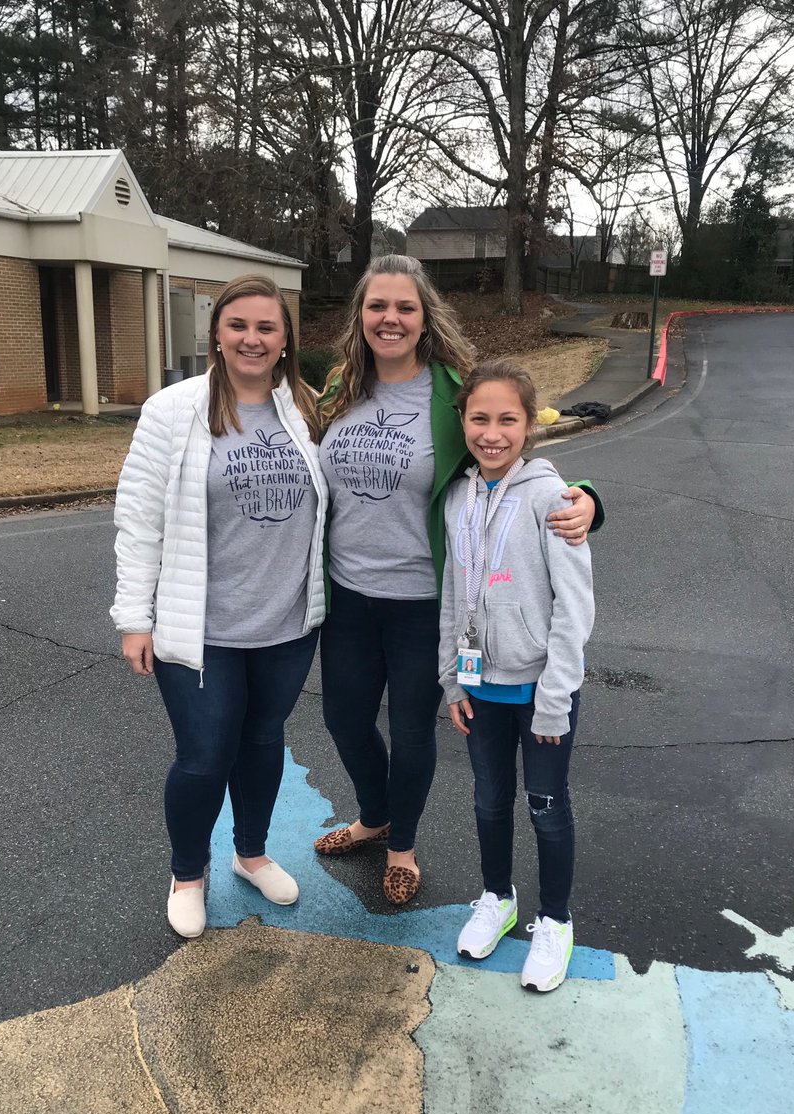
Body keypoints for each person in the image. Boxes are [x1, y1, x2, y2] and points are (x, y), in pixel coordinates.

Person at [313, 254, 601, 905]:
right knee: (344, 720)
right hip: (349, 595)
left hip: (423, 600)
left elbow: (507, 445)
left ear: (424, 316)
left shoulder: (451, 390)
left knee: (413, 731)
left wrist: (585, 496)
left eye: (405, 307)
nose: (391, 318)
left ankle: (402, 846)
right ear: (361, 316)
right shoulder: (339, 388)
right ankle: (374, 813)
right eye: (377, 306)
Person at [110, 275, 329, 938]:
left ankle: (251, 853)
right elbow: (138, 517)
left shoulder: (309, 410)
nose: (252, 339)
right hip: (199, 627)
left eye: (267, 327)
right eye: (239, 326)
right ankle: (187, 873)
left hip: (287, 624)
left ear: (286, 338)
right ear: (217, 333)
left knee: (263, 742)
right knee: (205, 755)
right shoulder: (173, 409)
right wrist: (134, 618)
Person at [440, 359, 594, 992]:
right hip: (481, 686)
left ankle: (554, 921)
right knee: (487, 799)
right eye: (480, 418)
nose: (493, 432)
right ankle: (497, 896)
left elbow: (575, 606)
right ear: (464, 422)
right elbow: (453, 590)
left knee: (547, 806)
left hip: (541, 690)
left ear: (530, 426)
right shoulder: (457, 496)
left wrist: (555, 699)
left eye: (508, 419)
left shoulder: (553, 499)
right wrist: (453, 679)